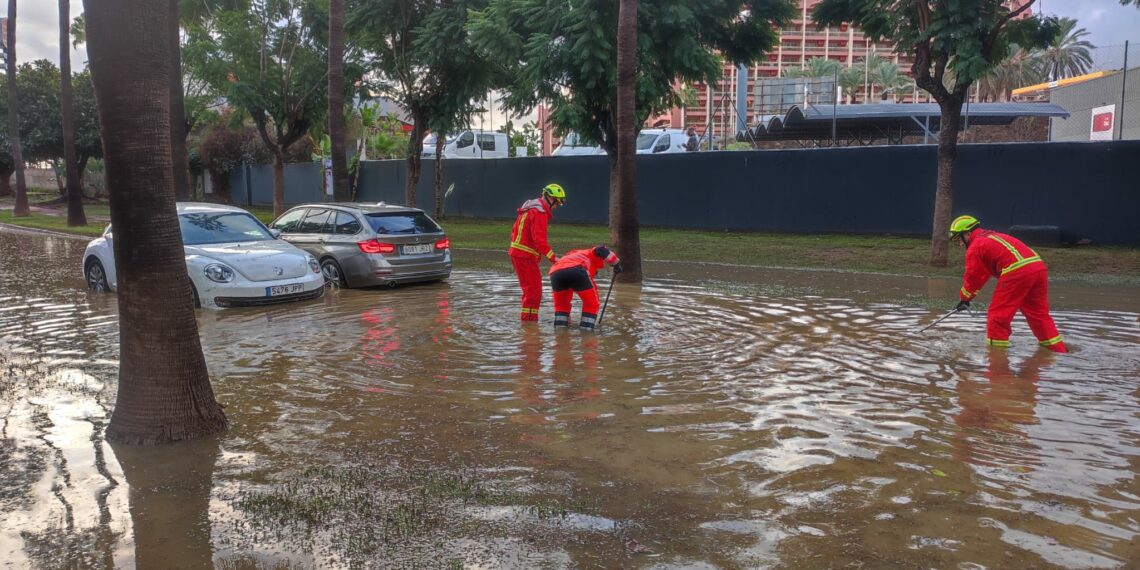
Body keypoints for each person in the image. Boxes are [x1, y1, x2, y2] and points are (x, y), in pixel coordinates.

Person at [949, 215, 1068, 353]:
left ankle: (997, 363)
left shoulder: (976, 246)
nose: (960, 244)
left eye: (959, 239)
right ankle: (1059, 351)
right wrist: (967, 297)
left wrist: (964, 298)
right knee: (1039, 314)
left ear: (967, 233)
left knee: (997, 317)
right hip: (1038, 268)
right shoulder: (992, 237)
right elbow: (985, 272)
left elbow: (974, 277)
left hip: (1017, 272)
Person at [509, 183, 566, 321]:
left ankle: (528, 321)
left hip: (519, 254)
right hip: (525, 256)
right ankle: (529, 325)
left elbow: (514, 231)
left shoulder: (530, 207)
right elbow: (539, 241)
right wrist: (554, 259)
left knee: (530, 290)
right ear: (550, 198)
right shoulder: (540, 212)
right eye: (557, 202)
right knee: (534, 291)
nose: (557, 207)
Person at [548, 245, 621, 330]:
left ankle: (561, 331)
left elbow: (570, 285)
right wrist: (616, 263)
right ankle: (586, 332)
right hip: (577, 269)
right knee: (592, 304)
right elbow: (601, 250)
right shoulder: (590, 253)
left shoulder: (571, 256)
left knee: (561, 306)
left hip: (555, 273)